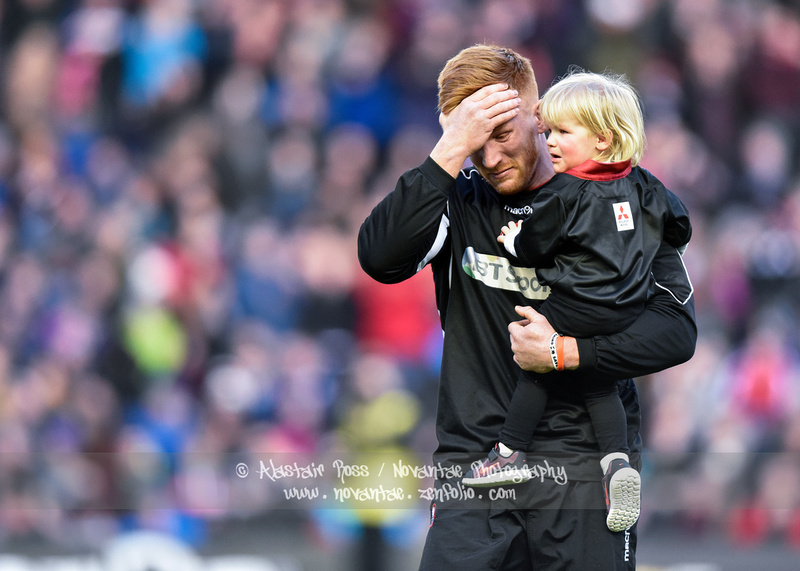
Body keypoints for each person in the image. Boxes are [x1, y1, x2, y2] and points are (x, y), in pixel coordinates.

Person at [357, 44, 696, 570]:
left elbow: (677, 331)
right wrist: (449, 151)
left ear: (538, 118)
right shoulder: (458, 200)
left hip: (583, 468)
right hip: (477, 466)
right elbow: (379, 258)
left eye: (500, 135)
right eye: (473, 144)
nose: (488, 158)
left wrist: (566, 353)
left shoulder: (621, 201)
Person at [461, 70, 692, 534]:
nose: (549, 143)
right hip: (625, 308)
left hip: (577, 303)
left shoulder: (567, 193)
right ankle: (615, 463)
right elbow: (679, 223)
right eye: (548, 132)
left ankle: (507, 452)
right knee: (597, 376)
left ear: (603, 140)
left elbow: (537, 243)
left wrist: (512, 241)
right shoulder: (646, 186)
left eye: (563, 133)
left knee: (539, 362)